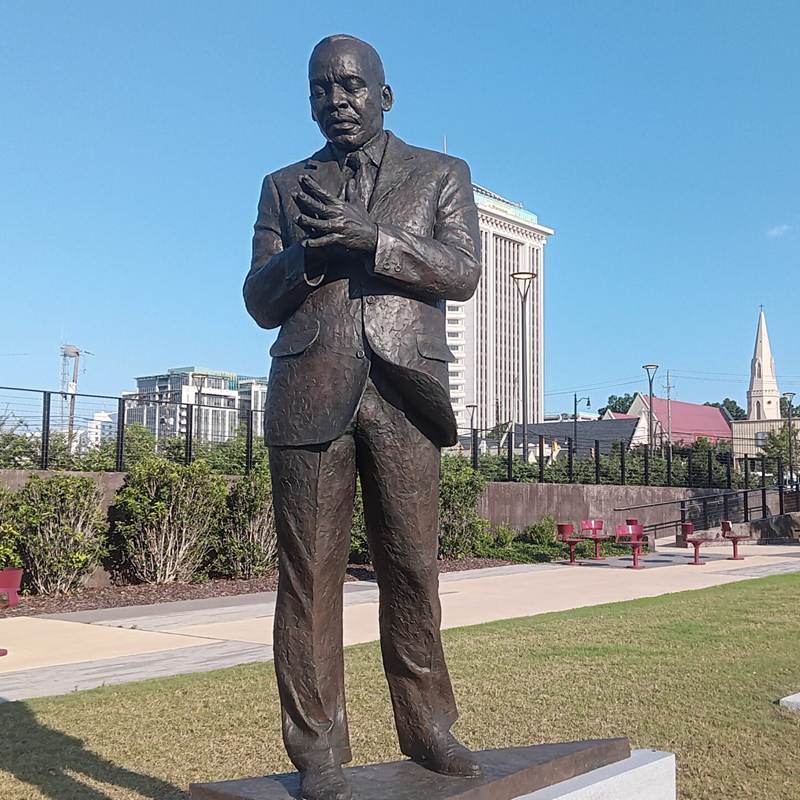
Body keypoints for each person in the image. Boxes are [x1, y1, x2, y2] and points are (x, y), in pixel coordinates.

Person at [244, 34, 482, 800]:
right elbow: (257, 299)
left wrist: (371, 239)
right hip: (310, 393)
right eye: (320, 89)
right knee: (308, 579)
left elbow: (463, 270)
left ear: (385, 95)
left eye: (350, 87)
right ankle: (318, 750)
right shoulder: (285, 186)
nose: (335, 101)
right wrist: (309, 252)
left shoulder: (442, 174)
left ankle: (429, 729)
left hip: (405, 392)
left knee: (412, 570)